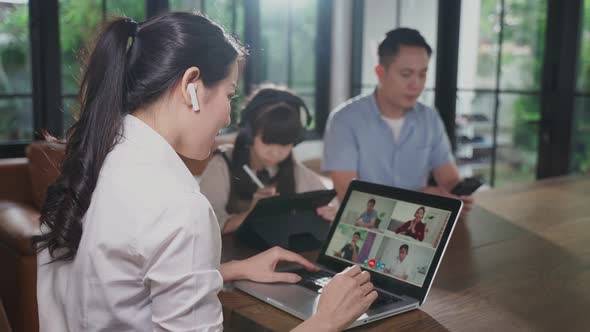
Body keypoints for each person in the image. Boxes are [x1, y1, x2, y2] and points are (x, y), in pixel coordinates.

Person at [32, 13, 376, 332]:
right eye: (230, 95)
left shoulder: (97, 161)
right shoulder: (179, 208)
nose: (229, 117)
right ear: (191, 86)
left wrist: (228, 271)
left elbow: (117, 283)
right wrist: (326, 320)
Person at [322, 28, 473, 214]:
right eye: (406, 74)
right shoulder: (344, 120)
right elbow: (349, 197)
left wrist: (459, 195)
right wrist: (421, 197)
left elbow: (450, 181)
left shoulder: (429, 118)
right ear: (380, 72)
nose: (416, 84)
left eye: (422, 74)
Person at [200, 86, 337, 234]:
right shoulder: (222, 165)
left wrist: (328, 213)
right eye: (268, 142)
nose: (276, 152)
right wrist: (253, 213)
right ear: (249, 133)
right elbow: (207, 224)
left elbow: (325, 200)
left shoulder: (293, 169)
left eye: (285, 144)